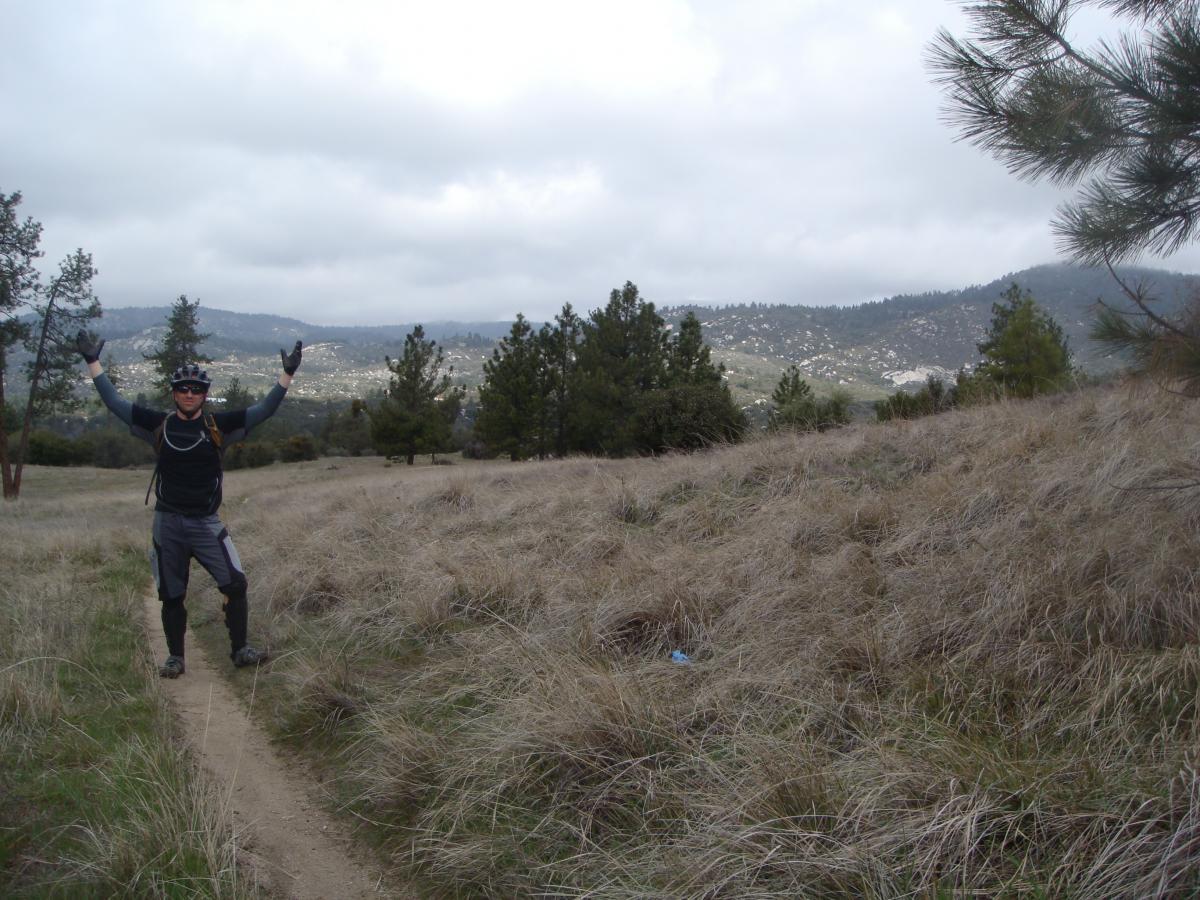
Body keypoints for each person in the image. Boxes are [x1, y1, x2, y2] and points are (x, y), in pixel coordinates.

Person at [76, 331, 303, 678]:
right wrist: (93, 362)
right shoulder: (158, 425)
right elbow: (114, 403)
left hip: (206, 523)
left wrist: (287, 374)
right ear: (174, 392)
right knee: (171, 594)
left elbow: (264, 410)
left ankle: (240, 650)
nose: (189, 393)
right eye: (182, 388)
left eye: (196, 389)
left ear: (205, 395)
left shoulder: (218, 426)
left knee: (236, 584)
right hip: (168, 523)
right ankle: (176, 657)